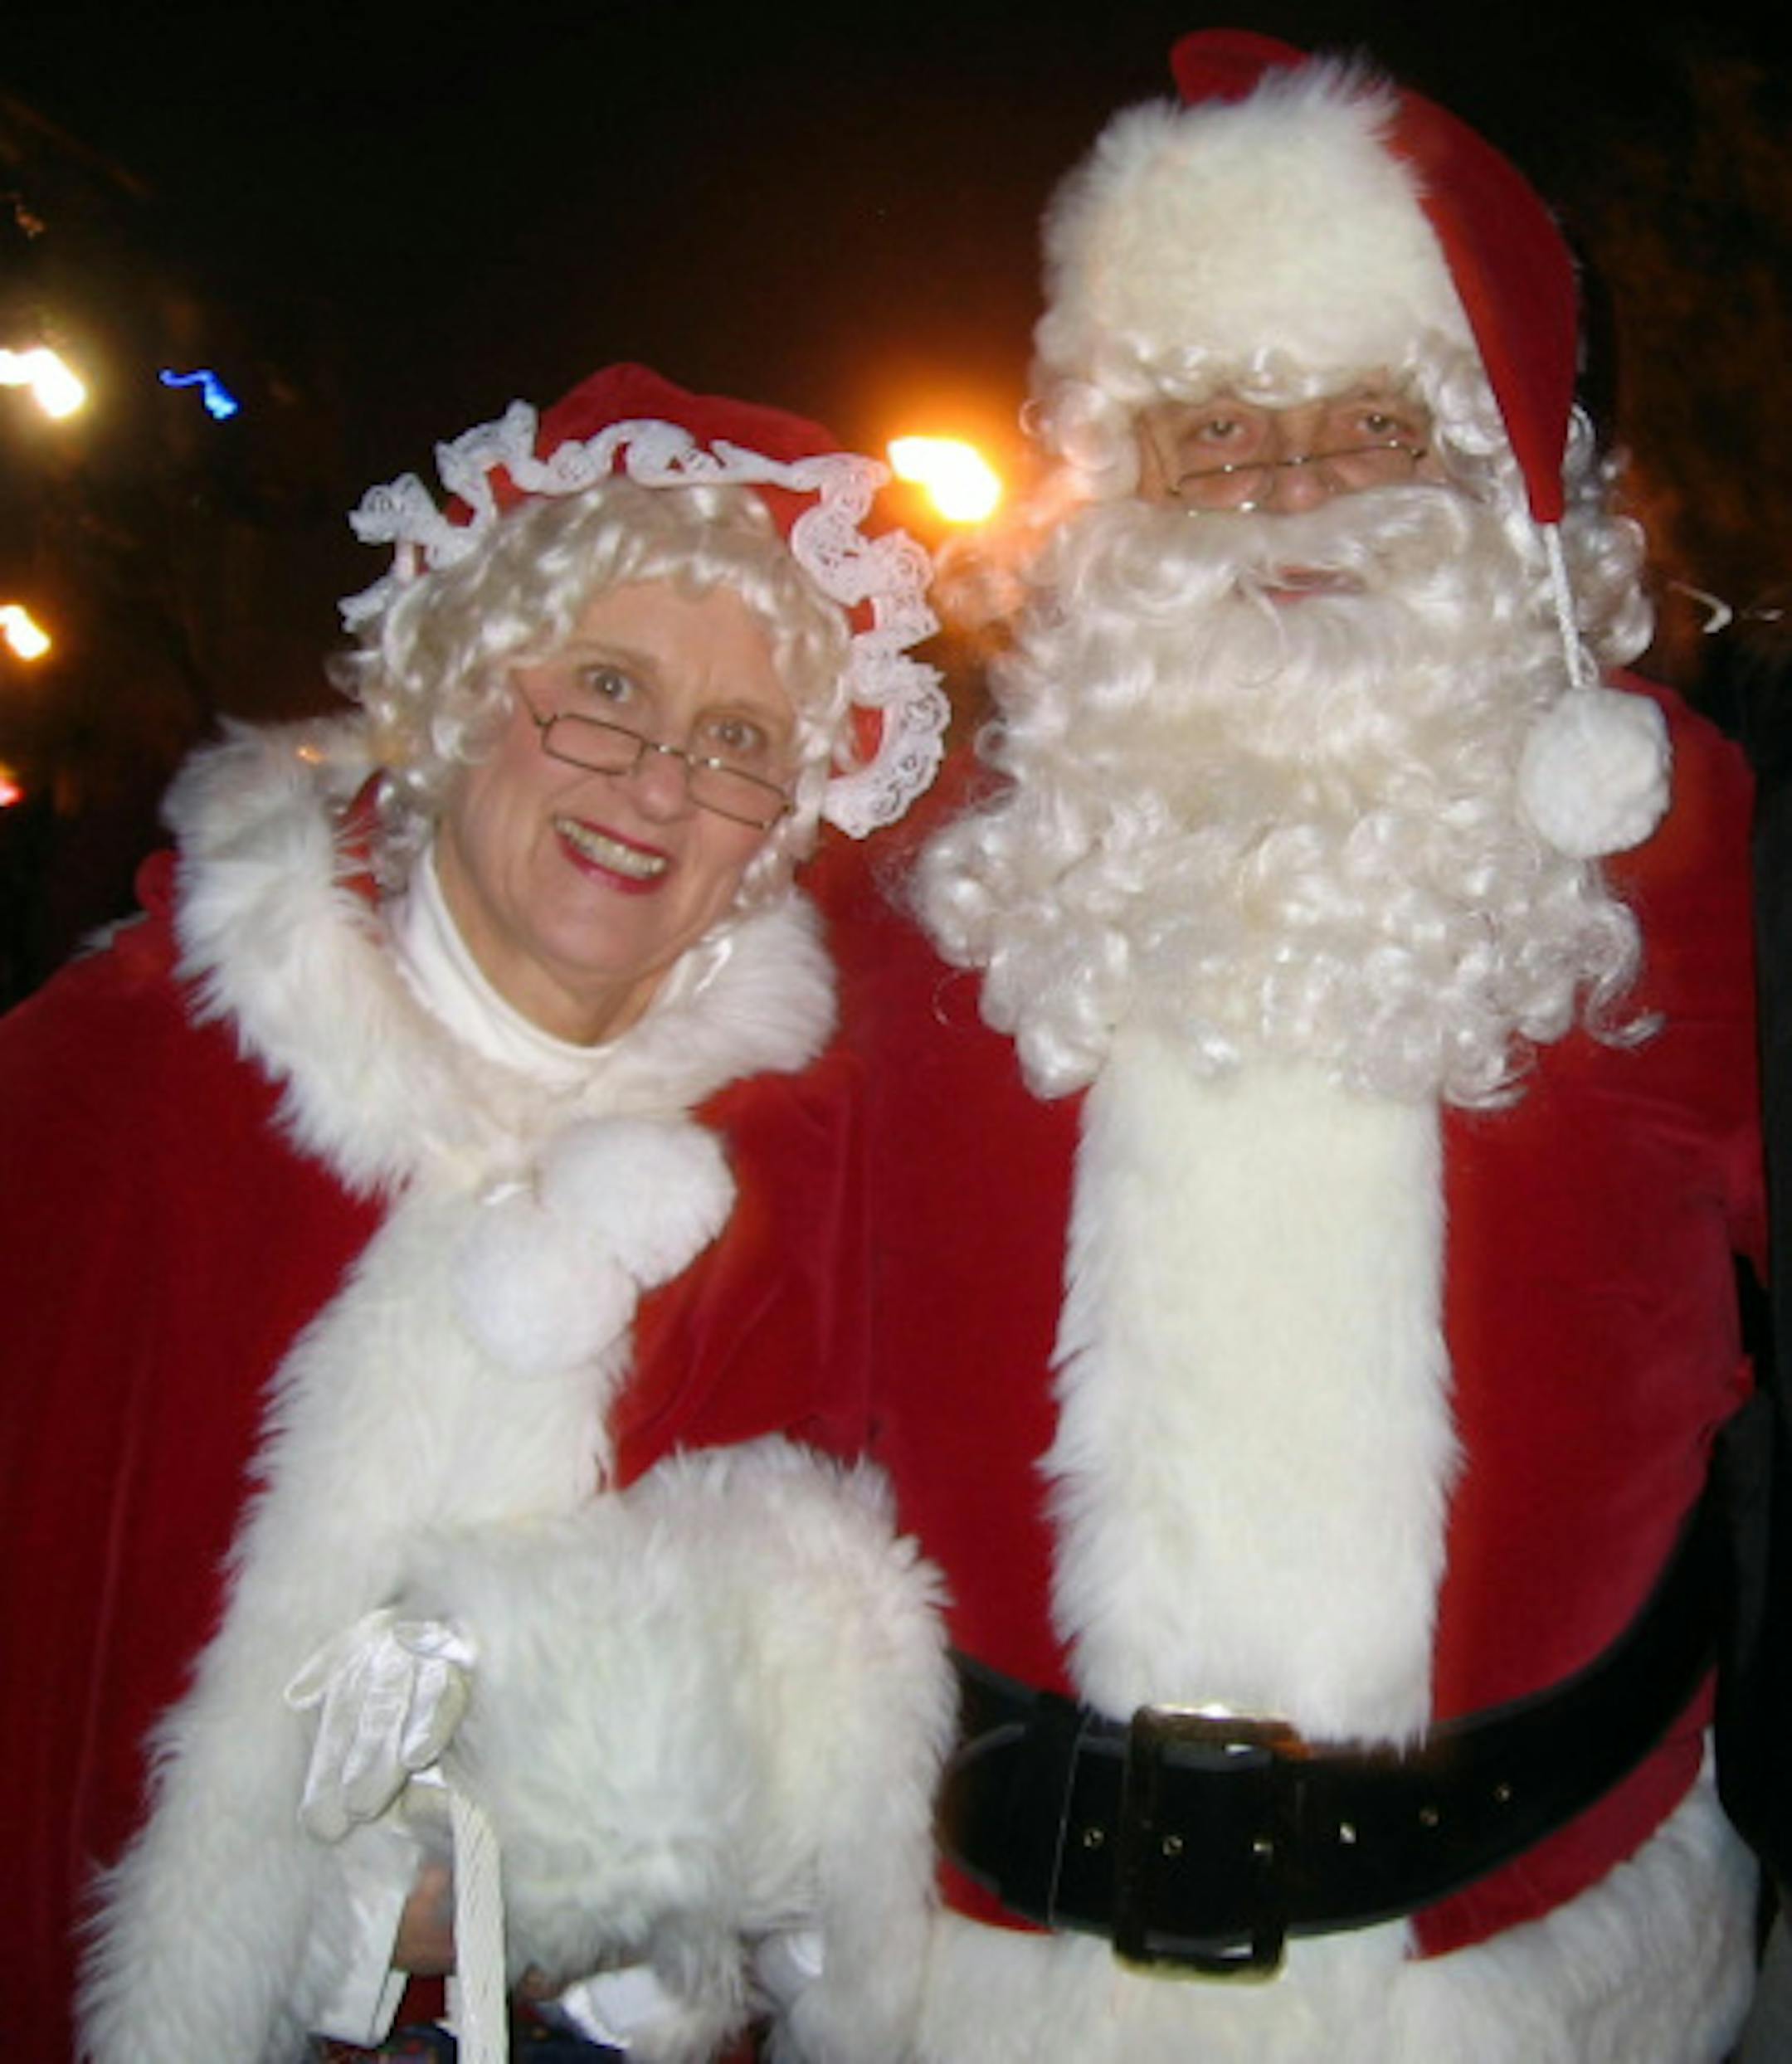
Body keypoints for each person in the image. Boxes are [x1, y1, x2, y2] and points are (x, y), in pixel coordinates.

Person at [816, 30, 1767, 2060]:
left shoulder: (1685, 856)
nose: (1286, 498)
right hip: (977, 1977)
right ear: (1102, 482)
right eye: (1209, 438)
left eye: (1364, 427)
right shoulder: (920, 877)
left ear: (1505, 492)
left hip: (1531, 1974)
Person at [0, 363, 957, 2064]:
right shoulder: (130, 1080)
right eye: (604, 691)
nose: (659, 784)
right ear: (463, 697)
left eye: (737, 744)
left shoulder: (811, 1167)